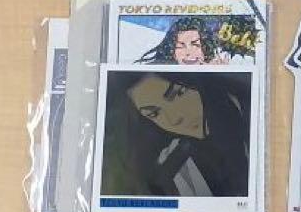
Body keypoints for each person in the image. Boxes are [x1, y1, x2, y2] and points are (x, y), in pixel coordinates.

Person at [102, 72, 250, 199]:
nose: (173, 119)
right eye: (154, 113)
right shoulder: (177, 167)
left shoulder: (253, 111)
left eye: (176, 94)